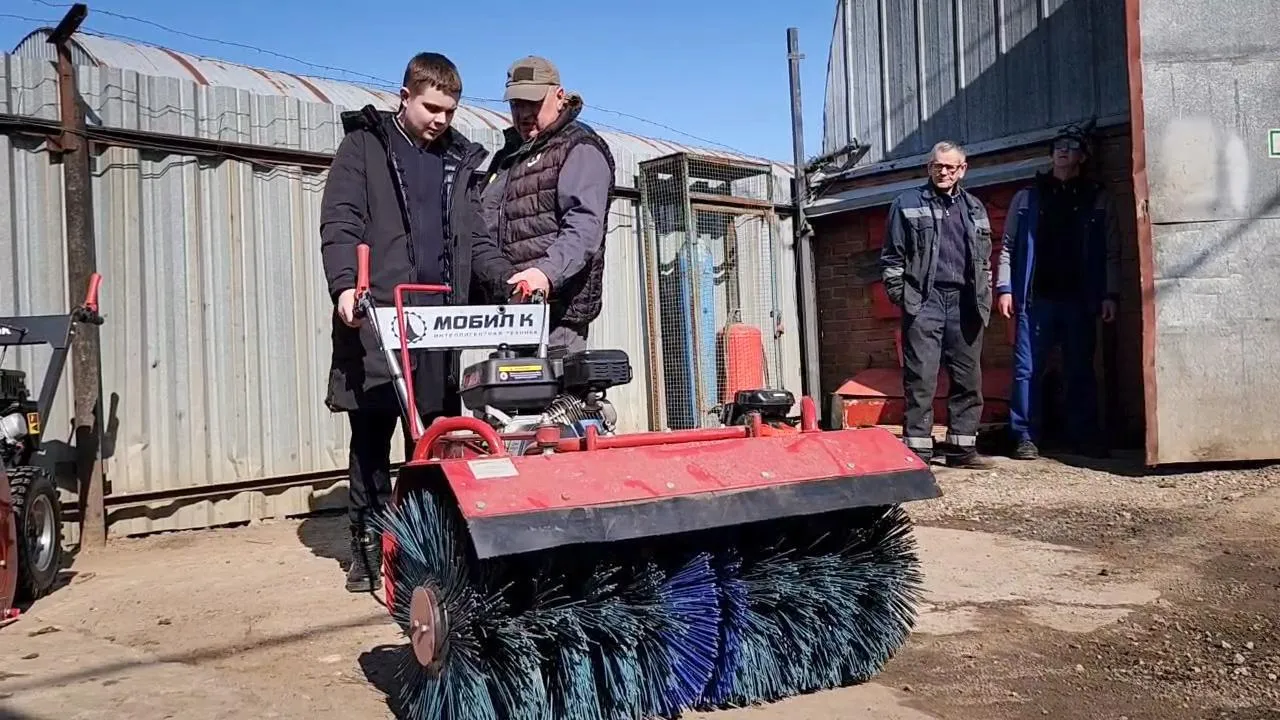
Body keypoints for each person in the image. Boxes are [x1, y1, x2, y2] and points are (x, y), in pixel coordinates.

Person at [319, 52, 512, 593]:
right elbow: (341, 221)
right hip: (378, 316)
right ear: (405, 96)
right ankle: (367, 539)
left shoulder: (456, 162)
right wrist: (344, 287)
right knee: (373, 431)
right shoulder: (364, 148)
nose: (440, 120)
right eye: (432, 107)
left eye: (450, 111)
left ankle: (429, 540)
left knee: (436, 435)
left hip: (438, 325)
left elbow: (475, 242)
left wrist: (507, 280)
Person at [996, 126, 1121, 460]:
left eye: (1071, 147)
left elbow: (1111, 250)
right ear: (1051, 156)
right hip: (1035, 300)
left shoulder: (1097, 196)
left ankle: (1083, 435)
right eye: (1057, 148)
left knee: (1080, 367)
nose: (1063, 152)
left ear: (1082, 157)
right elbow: (1008, 245)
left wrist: (1111, 293)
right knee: (1027, 369)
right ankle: (1024, 435)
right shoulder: (1028, 197)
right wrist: (1005, 288)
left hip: (1081, 300)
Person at [478, 55, 616, 355]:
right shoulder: (508, 159)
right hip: (511, 315)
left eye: (533, 103)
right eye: (516, 104)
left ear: (559, 96)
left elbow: (583, 227)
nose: (524, 113)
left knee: (555, 401)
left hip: (556, 319)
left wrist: (545, 274)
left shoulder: (578, 148)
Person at [879, 140, 997, 469]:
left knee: (968, 379)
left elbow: (984, 260)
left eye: (950, 166)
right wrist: (901, 296)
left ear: (962, 169)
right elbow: (892, 257)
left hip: (966, 303)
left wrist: (984, 294)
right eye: (937, 165)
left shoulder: (975, 208)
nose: (943, 171)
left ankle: (962, 449)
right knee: (921, 379)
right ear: (928, 167)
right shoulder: (907, 203)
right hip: (924, 301)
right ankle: (918, 451)